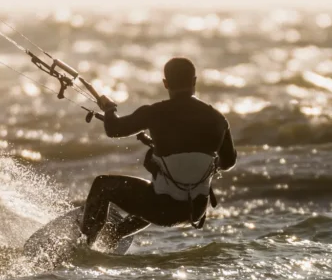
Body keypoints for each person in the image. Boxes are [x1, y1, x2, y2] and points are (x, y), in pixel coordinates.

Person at [81, 57, 237, 245]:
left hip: (160, 209)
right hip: (194, 211)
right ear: (194, 81)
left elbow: (114, 129)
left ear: (166, 83)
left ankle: (85, 242)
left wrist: (109, 109)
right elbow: (228, 162)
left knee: (103, 185)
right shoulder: (218, 119)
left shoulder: (154, 112)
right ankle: (114, 236)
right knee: (160, 188)